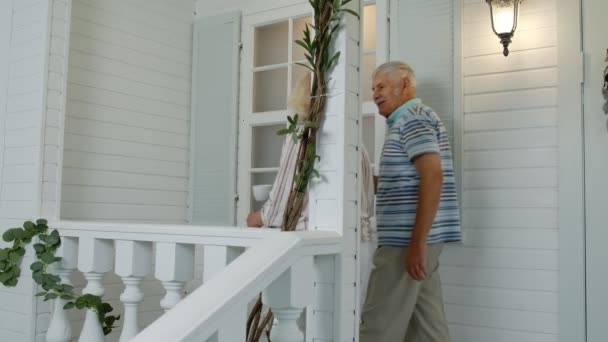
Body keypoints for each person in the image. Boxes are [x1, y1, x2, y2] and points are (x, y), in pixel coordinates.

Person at [246, 73, 377, 304]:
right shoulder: (353, 139)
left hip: (315, 248)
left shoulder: (302, 133)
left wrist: (259, 217)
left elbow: (287, 192)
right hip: (361, 245)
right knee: (350, 323)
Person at [359, 61, 461, 342]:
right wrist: (362, 180)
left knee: (376, 327)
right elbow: (404, 183)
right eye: (372, 88)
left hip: (406, 242)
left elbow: (432, 175)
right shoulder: (411, 120)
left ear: (404, 84)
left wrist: (417, 242)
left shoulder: (412, 118)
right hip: (420, 242)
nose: (375, 93)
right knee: (427, 330)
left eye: (381, 86)